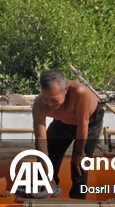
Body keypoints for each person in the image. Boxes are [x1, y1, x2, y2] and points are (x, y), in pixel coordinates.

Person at [31, 69, 104, 199]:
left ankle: (77, 203)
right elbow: (41, 138)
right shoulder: (38, 105)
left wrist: (79, 152)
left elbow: (83, 124)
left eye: (53, 100)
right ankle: (48, 193)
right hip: (61, 124)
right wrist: (47, 173)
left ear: (65, 90)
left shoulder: (80, 93)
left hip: (90, 123)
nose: (49, 104)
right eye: (45, 99)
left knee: (79, 166)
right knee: (45, 164)